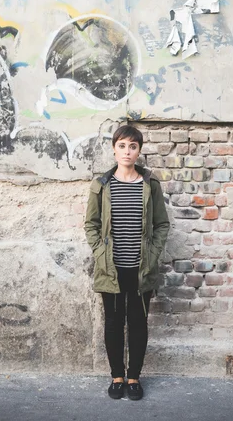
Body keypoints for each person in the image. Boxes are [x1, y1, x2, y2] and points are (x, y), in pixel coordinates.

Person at [85, 125, 170, 400]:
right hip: (110, 268)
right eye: (122, 145)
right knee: (113, 323)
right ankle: (116, 377)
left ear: (139, 151)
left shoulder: (149, 184)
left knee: (138, 322)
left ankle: (134, 378)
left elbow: (161, 225)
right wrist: (100, 253)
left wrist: (152, 255)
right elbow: (91, 224)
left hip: (140, 269)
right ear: (114, 149)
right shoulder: (102, 185)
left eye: (133, 146)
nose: (127, 151)